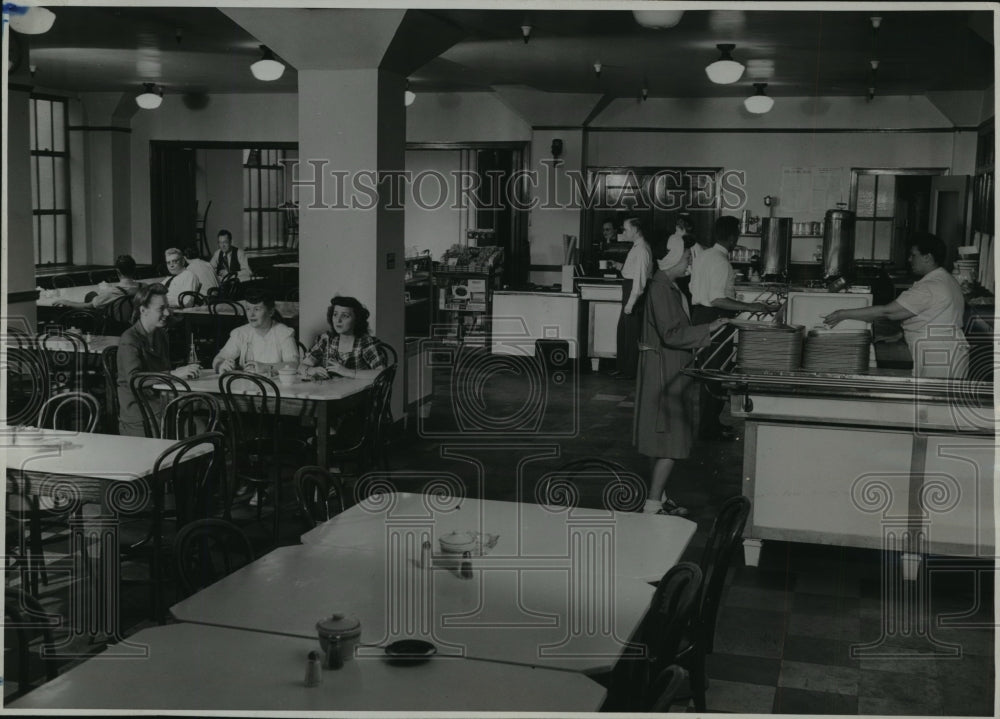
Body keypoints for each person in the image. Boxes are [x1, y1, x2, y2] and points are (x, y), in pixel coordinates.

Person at [636, 238, 728, 516]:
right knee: (670, 438)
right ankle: (652, 504)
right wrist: (708, 327)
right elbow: (671, 334)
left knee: (660, 436)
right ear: (672, 259)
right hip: (665, 369)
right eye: (687, 257)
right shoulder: (661, 289)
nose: (690, 262)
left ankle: (660, 496)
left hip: (664, 365)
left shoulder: (667, 286)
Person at [823, 232, 968, 379]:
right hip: (947, 352)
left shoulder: (930, 286)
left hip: (939, 357)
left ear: (927, 257)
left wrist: (842, 314)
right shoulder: (946, 279)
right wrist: (900, 335)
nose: (909, 259)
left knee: (933, 399)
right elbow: (936, 315)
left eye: (913, 255)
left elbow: (888, 312)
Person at [690, 215, 779, 440]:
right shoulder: (721, 261)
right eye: (737, 234)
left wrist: (737, 304)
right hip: (716, 317)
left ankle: (709, 424)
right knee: (716, 373)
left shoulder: (703, 256)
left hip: (700, 316)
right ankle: (708, 429)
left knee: (708, 371)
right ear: (732, 237)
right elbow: (718, 299)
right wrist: (751, 305)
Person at [116, 283, 201, 436]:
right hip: (140, 414)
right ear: (143, 310)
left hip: (161, 404)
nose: (168, 313)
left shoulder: (160, 334)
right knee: (202, 429)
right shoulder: (129, 340)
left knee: (208, 422)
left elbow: (163, 373)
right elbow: (134, 380)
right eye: (161, 309)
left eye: (167, 307)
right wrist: (175, 374)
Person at [212, 290, 299, 374]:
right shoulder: (241, 333)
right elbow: (219, 358)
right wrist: (221, 365)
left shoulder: (283, 333)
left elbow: (294, 365)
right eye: (248, 309)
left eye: (257, 309)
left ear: (271, 312)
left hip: (276, 386)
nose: (251, 314)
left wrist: (266, 367)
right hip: (245, 386)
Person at [299, 296, 386, 381]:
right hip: (331, 393)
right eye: (335, 314)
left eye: (345, 316)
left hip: (358, 394)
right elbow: (302, 366)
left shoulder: (365, 342)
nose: (338, 320)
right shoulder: (327, 339)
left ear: (357, 319)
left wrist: (346, 372)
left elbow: (382, 373)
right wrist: (312, 370)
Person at [612, 216, 653, 379]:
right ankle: (623, 368)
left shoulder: (642, 249)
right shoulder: (637, 247)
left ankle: (630, 371)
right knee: (624, 332)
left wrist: (630, 303)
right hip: (629, 290)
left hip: (633, 294)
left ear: (635, 230)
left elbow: (640, 280)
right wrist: (620, 266)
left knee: (631, 334)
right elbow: (634, 271)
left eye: (626, 229)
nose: (624, 232)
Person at [53, 254, 140, 309]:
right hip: (135, 324)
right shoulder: (145, 288)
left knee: (92, 296)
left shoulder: (113, 292)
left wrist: (67, 302)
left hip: (112, 326)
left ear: (118, 272)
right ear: (134, 270)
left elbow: (88, 305)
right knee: (92, 295)